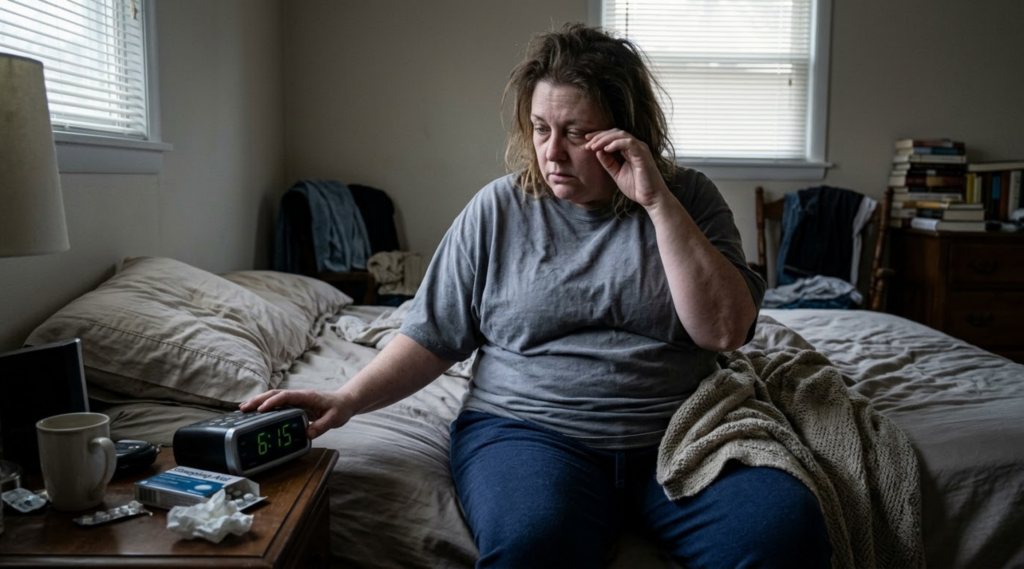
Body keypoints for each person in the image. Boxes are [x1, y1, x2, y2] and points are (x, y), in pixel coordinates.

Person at [242, 22, 831, 568]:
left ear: (627, 132)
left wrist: (656, 202)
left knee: (784, 531)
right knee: (533, 545)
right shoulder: (498, 210)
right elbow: (432, 336)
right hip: (529, 433)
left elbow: (724, 331)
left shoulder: (688, 198)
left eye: (576, 133)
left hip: (682, 434)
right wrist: (346, 400)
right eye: (541, 128)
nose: (551, 152)